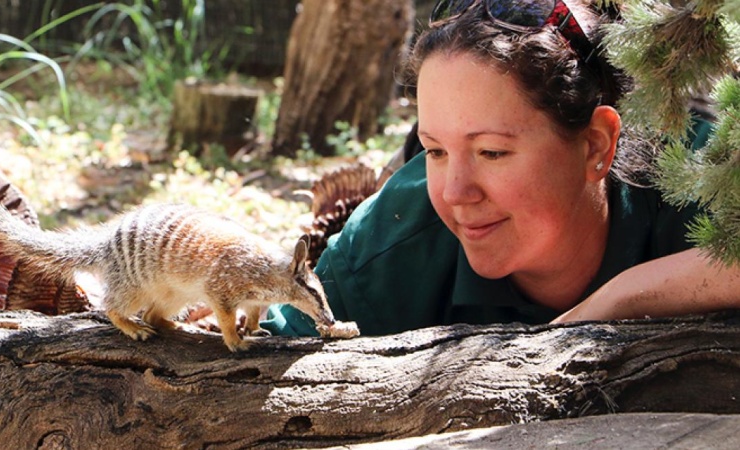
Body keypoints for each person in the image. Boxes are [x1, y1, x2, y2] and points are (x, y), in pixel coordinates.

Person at [260, 0, 740, 337]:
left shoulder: (702, 172)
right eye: (435, 151)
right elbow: (266, 362)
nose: (454, 192)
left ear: (596, 144)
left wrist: (620, 301)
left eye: (491, 152)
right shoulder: (390, 245)